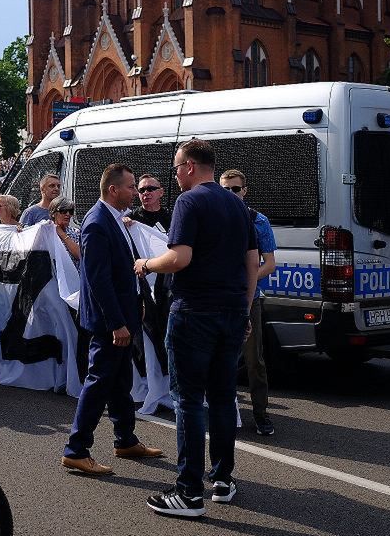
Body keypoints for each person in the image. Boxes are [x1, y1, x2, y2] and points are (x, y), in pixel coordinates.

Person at [135, 139, 258, 518]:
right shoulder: (237, 204)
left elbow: (180, 257)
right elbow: (252, 261)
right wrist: (245, 308)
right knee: (222, 396)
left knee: (188, 399)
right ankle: (222, 479)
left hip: (195, 311)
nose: (174, 176)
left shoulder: (190, 201)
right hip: (233, 310)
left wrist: (146, 264)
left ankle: (188, 492)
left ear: (189, 166)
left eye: (175, 168)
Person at [61, 163, 162, 476]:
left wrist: (139, 301)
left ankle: (125, 440)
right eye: (131, 187)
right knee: (100, 381)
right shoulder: (97, 222)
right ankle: (76, 450)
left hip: (126, 312)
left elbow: (129, 267)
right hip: (110, 321)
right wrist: (117, 322)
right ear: (113, 189)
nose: (136, 192)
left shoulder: (117, 219)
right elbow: (98, 279)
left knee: (121, 381)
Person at [219, 169, 276, 435]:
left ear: (245, 191)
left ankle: (261, 414)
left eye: (236, 189)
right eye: (226, 189)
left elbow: (270, 264)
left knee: (254, 361)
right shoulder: (214, 216)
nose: (232, 194)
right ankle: (224, 412)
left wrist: (247, 281)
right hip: (220, 298)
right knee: (220, 359)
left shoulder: (258, 220)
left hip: (249, 299)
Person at [50, 196, 80, 264]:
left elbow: (79, 255)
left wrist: (63, 235)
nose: (68, 214)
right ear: (53, 213)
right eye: (63, 211)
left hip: (73, 273)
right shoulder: (46, 233)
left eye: (71, 211)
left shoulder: (76, 232)